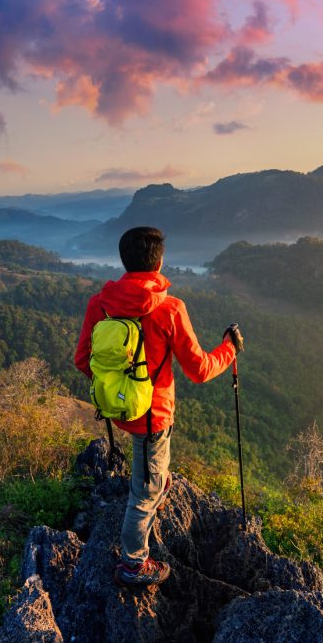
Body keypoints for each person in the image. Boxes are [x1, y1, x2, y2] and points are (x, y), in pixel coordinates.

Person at [75, 227, 243, 587]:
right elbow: (198, 370)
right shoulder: (170, 308)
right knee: (143, 494)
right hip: (154, 416)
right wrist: (229, 350)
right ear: (159, 262)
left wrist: (117, 387)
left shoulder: (100, 304)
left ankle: (157, 483)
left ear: (124, 260)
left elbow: (82, 360)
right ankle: (134, 564)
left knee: (152, 472)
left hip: (120, 410)